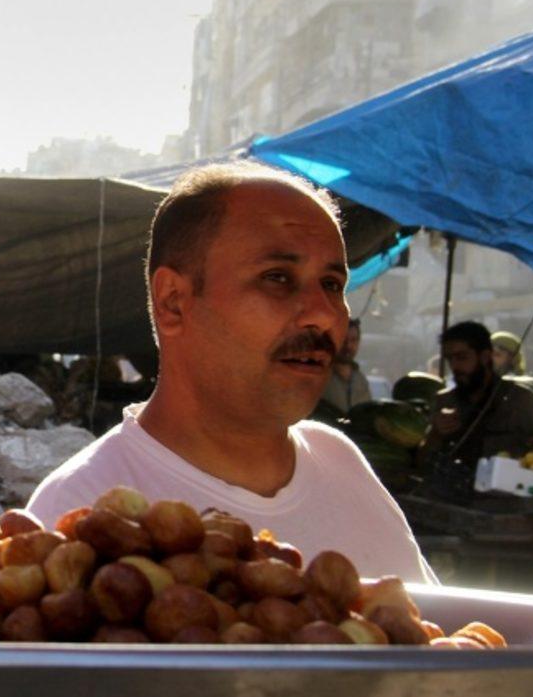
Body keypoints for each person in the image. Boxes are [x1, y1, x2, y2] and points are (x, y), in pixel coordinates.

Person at [26, 162, 435, 583]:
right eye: (277, 278)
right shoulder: (81, 515)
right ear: (173, 302)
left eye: (332, 284)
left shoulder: (338, 461)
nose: (324, 315)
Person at [419, 321, 533, 503]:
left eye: (462, 357)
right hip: (452, 501)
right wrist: (436, 434)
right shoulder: (445, 401)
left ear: (485, 356)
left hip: (507, 503)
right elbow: (421, 463)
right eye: (450, 359)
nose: (455, 366)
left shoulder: (520, 399)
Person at [316, 318, 372, 415]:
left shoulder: (361, 380)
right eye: (343, 339)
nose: (348, 345)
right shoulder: (318, 377)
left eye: (353, 340)